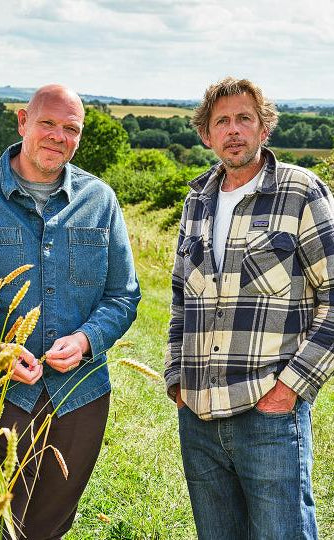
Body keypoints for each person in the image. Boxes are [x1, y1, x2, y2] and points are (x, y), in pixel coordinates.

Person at [0, 84, 140, 538]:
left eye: (71, 128)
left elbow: (123, 294)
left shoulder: (99, 200)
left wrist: (88, 338)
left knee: (48, 526)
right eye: (47, 123)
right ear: (21, 122)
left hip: (79, 399)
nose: (58, 136)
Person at [165, 76, 334, 539]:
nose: (234, 130)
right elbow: (181, 298)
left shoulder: (302, 192)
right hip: (198, 417)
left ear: (264, 129)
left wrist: (290, 389)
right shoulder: (196, 200)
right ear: (206, 134)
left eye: (245, 118)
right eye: (222, 121)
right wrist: (176, 379)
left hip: (268, 414)